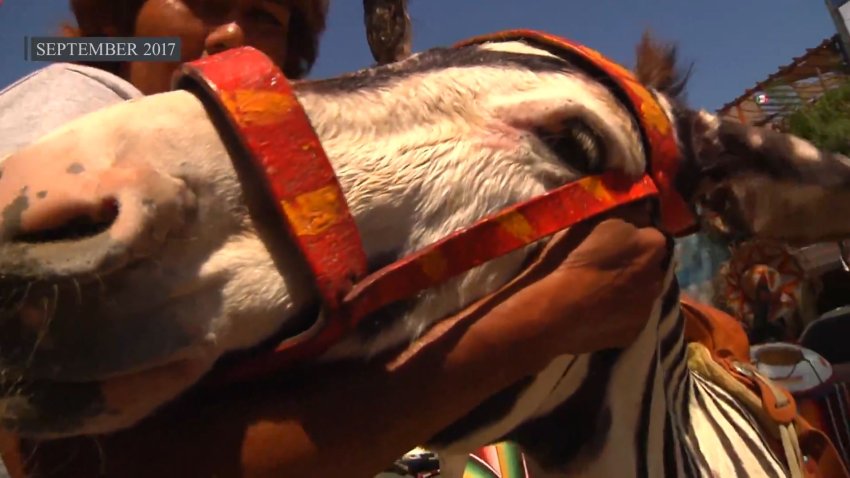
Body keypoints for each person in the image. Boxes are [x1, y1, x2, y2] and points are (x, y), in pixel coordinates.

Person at [0, 59, 669, 476]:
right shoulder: (79, 101)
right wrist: (545, 322)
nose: (233, 30)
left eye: (271, 20)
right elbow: (76, 466)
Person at [64, 0, 329, 94]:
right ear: (119, 24)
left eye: (265, 18)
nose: (232, 34)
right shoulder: (67, 99)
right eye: (201, 2)